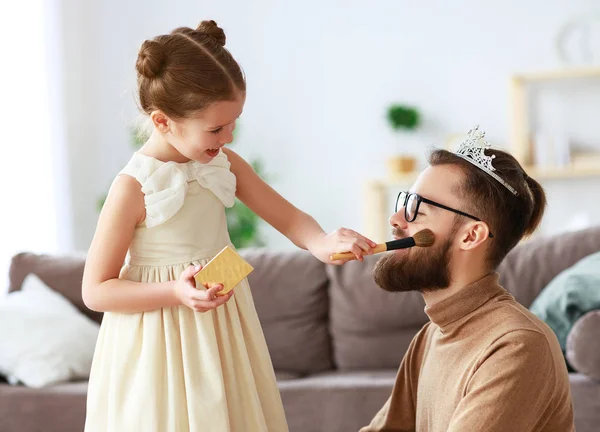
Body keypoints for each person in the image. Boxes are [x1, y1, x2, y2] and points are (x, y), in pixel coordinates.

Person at [81, 20, 376, 432]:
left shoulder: (223, 163)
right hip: (157, 339)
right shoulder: (131, 187)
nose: (229, 137)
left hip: (221, 328)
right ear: (164, 121)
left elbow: (287, 216)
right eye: (216, 128)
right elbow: (96, 290)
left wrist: (321, 241)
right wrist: (174, 292)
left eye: (233, 122)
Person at [360, 126, 575, 432]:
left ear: (471, 235)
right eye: (403, 202)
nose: (395, 220)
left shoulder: (516, 345)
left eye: (416, 209)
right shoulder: (431, 335)